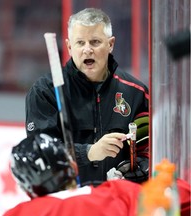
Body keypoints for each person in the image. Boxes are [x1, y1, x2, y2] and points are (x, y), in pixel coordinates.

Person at [25, 8, 149, 186]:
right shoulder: (45, 91)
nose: (87, 50)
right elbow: (38, 154)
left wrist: (139, 168)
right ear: (69, 47)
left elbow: (148, 150)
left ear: (111, 44)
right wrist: (89, 152)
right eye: (80, 43)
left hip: (117, 203)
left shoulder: (135, 92)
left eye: (95, 42)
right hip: (68, 203)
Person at [4, 134, 190, 216]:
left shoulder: (19, 213)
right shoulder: (118, 194)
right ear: (74, 167)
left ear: (27, 188)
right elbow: (179, 198)